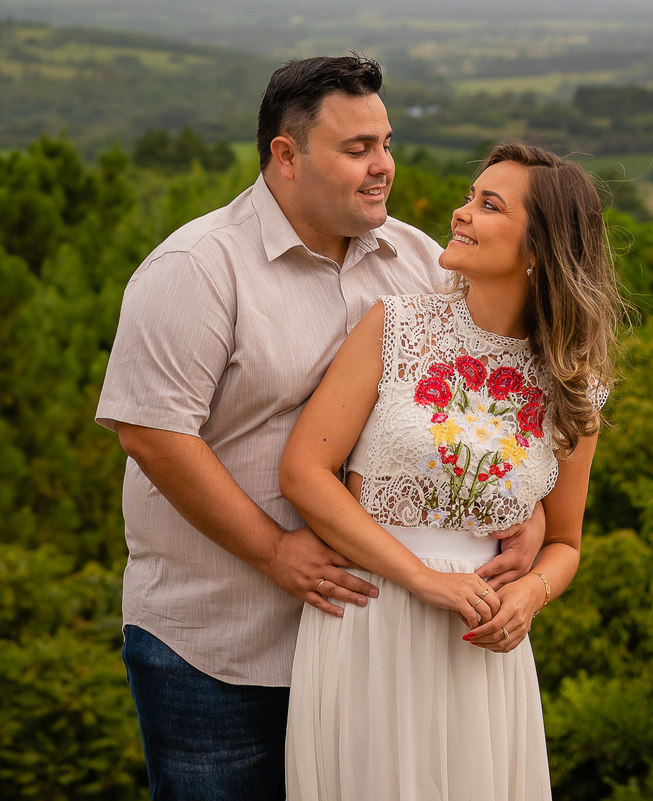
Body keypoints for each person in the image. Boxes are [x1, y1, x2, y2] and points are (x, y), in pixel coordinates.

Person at [95, 56, 542, 801]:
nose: (383, 166)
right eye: (357, 149)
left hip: (373, 646)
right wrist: (274, 550)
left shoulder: (422, 262)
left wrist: (521, 508)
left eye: (386, 143)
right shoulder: (197, 268)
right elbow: (153, 435)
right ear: (287, 155)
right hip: (221, 647)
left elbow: (471, 405)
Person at [279, 141, 624, 800]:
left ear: (538, 249)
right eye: (471, 196)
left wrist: (531, 595)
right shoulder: (396, 327)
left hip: (480, 651)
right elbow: (304, 472)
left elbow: (565, 542)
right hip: (370, 624)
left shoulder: (572, 386)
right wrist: (421, 578)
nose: (461, 213)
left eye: (488, 205)